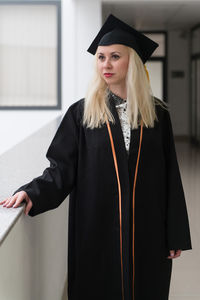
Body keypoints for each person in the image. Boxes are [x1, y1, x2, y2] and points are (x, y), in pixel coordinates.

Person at [0, 14, 192, 300]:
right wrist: (33, 193)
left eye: (115, 56)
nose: (106, 64)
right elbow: (62, 168)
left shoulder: (157, 114)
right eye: (101, 57)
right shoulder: (82, 113)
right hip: (97, 226)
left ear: (133, 63)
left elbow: (170, 176)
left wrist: (175, 232)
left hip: (148, 227)